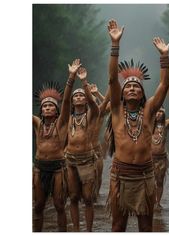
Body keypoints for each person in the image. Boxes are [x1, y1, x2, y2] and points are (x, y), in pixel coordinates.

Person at [106, 19, 169, 232]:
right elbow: (112, 80)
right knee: (118, 226)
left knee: (146, 226)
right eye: (128, 86)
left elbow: (163, 85)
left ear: (143, 93)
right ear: (122, 94)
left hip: (145, 175)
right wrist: (115, 45)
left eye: (137, 86)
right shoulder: (116, 110)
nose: (132, 88)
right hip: (121, 175)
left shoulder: (150, 110)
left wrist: (164, 56)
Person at [32, 59, 81, 231]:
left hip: (58, 169)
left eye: (50, 106)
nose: (46, 108)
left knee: (60, 206)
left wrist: (71, 77)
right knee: (38, 206)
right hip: (39, 168)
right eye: (44, 106)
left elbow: (67, 102)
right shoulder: (38, 123)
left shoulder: (61, 124)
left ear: (56, 110)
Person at [64, 66, 99, 232]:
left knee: (87, 198)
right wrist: (71, 77)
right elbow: (63, 101)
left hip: (86, 160)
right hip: (70, 160)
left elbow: (94, 103)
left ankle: (89, 231)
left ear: (85, 100)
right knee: (73, 197)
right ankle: (76, 230)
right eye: (75, 96)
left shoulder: (91, 114)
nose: (78, 97)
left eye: (81, 96)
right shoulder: (68, 118)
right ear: (72, 101)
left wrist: (84, 81)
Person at [151, 107, 169, 210]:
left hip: (161, 159)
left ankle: (157, 202)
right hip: (149, 159)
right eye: (157, 111)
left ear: (164, 113)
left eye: (161, 111)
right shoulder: (148, 124)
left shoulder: (166, 124)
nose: (158, 114)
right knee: (148, 181)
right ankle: (149, 201)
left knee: (159, 181)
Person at [90, 84, 110, 198]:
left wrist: (97, 93)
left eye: (94, 100)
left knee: (98, 175)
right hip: (79, 152)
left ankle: (96, 196)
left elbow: (110, 103)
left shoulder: (99, 113)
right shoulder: (76, 115)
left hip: (96, 150)